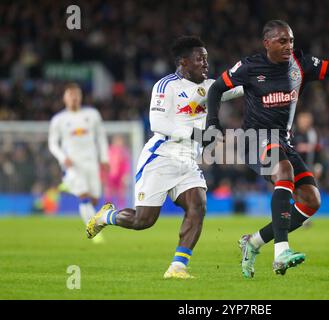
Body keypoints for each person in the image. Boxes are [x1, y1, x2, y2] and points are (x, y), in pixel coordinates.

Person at [206, 20, 329, 278]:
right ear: (267, 43)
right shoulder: (249, 67)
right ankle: (281, 253)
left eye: (291, 41)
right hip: (254, 139)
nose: (288, 46)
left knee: (311, 200)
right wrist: (212, 122)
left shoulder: (302, 65)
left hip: (282, 141)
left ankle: (252, 242)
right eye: (282, 41)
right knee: (283, 170)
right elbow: (216, 88)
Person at [86, 36, 243, 279]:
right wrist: (196, 133)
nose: (205, 63)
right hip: (161, 157)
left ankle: (177, 267)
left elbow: (240, 88)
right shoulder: (166, 85)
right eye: (199, 59)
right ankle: (105, 216)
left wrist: (265, 78)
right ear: (183, 62)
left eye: (206, 59)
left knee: (197, 206)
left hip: (188, 160)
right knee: (143, 221)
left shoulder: (211, 87)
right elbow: (158, 122)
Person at [48, 83, 109, 243]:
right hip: (72, 164)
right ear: (65, 98)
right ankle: (94, 232)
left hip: (91, 162)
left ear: (81, 96)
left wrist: (104, 158)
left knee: (95, 199)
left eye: (76, 94)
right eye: (70, 95)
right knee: (84, 196)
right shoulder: (59, 119)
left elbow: (101, 137)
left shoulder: (92, 114)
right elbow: (53, 144)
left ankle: (67, 185)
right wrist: (63, 158)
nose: (74, 98)